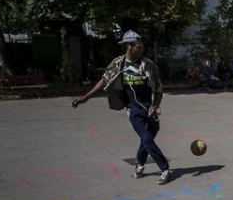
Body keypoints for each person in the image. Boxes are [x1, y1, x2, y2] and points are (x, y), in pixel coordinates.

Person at [70, 30, 173, 185]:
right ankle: (165, 169)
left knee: (148, 138)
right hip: (134, 110)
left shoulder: (148, 65)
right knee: (146, 138)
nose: (142, 49)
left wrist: (155, 105)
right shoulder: (119, 64)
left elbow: (158, 88)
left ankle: (139, 164)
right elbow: (104, 80)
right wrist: (86, 97)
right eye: (139, 46)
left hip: (149, 108)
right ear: (129, 47)